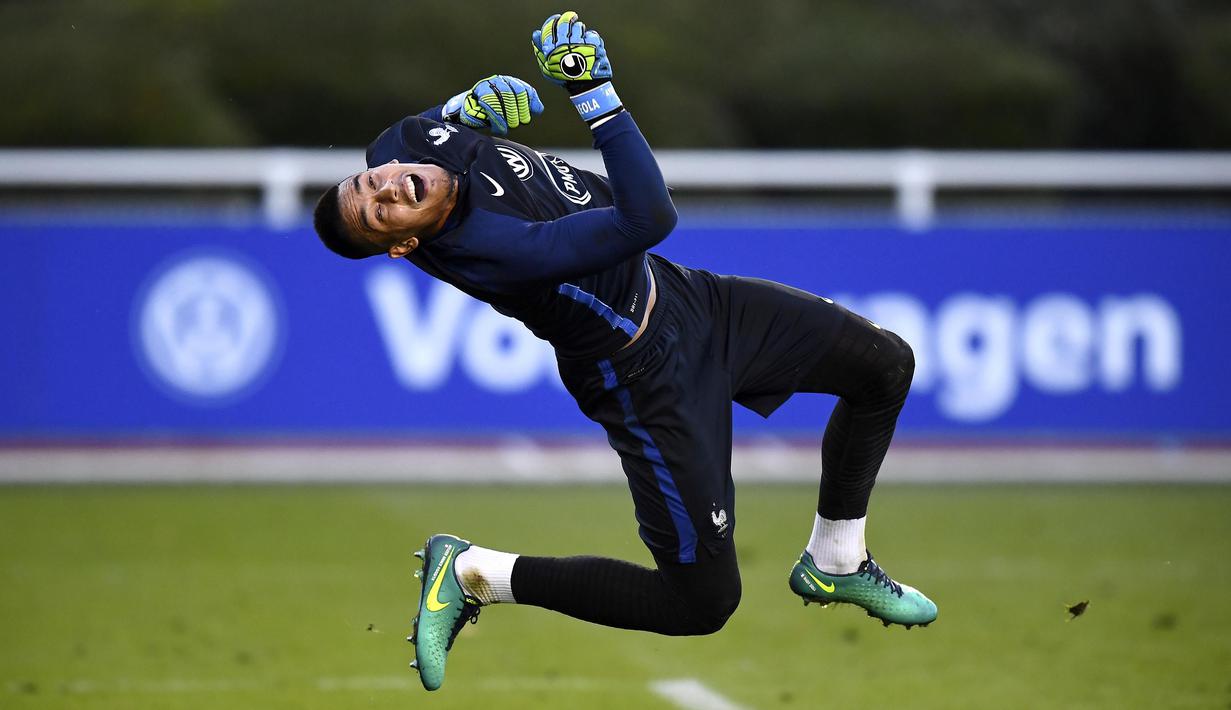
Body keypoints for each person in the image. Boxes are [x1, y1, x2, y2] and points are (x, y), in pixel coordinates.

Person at [312, 11, 937, 692]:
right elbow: (650, 219)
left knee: (883, 365)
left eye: (371, 182)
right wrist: (594, 94)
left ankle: (836, 559)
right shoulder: (494, 252)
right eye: (380, 213)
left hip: (693, 302)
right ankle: (474, 574)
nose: (385, 188)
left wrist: (468, 106)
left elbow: (434, 128)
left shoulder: (398, 144)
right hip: (645, 376)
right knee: (700, 604)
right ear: (403, 245)